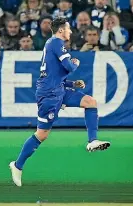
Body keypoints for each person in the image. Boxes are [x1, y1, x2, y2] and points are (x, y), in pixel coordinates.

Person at [9, 17, 111, 187]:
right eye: (69, 29)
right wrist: (76, 63)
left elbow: (55, 72)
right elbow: (69, 67)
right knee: (42, 134)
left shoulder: (54, 44)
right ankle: (17, 165)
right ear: (61, 30)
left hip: (59, 90)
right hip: (48, 94)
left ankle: (92, 140)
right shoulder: (56, 42)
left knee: (90, 102)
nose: (70, 32)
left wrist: (72, 84)